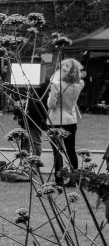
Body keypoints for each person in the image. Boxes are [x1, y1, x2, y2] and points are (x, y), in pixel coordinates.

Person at [46, 58, 84, 187]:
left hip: (56, 119)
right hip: (71, 119)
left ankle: (59, 179)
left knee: (57, 150)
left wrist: (49, 96)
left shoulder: (57, 84)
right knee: (71, 149)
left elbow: (51, 105)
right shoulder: (80, 84)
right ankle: (74, 179)